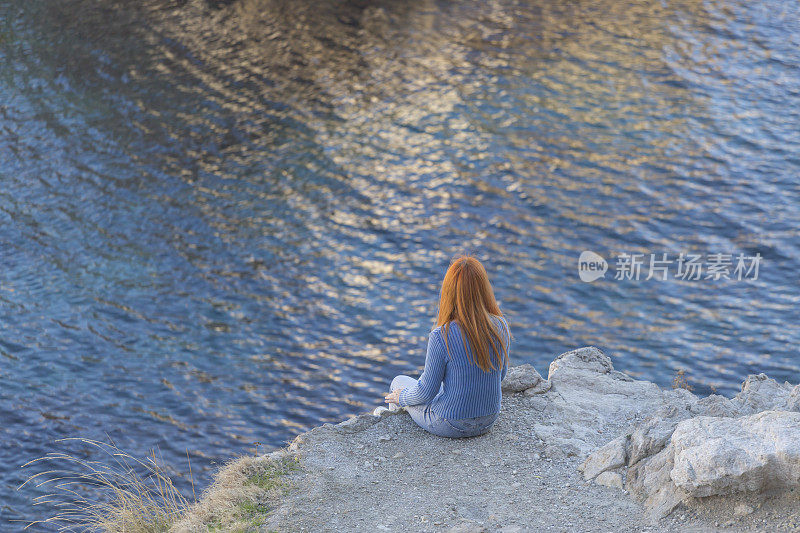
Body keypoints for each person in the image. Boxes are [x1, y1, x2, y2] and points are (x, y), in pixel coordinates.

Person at [384, 255, 511, 438]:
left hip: (452, 423)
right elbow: (501, 376)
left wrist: (401, 398)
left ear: (449, 291)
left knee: (399, 382)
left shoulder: (441, 335)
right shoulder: (501, 325)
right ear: (484, 288)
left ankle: (392, 430)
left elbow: (427, 391)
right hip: (489, 419)